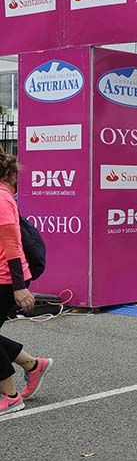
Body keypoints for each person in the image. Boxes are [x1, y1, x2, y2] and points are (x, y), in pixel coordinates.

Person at [0, 153, 51, 417]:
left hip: (7, 279)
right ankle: (32, 365)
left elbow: (11, 246)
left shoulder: (1, 198)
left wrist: (20, 287)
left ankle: (10, 396)